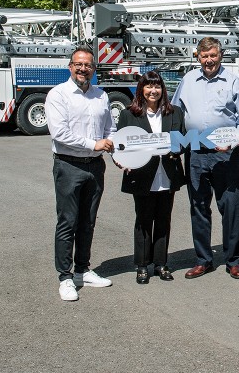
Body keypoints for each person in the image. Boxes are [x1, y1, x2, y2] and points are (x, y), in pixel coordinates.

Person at [171, 37, 239, 280]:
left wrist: (233, 141)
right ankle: (203, 260)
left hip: (225, 154)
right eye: (204, 56)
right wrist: (176, 144)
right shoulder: (187, 81)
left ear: (220, 56)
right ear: (198, 57)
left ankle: (233, 261)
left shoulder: (233, 81)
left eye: (213, 55)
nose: (209, 60)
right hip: (195, 153)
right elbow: (176, 113)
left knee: (231, 207)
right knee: (199, 207)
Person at [46, 46, 116, 302]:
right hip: (69, 165)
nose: (83, 69)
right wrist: (94, 144)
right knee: (68, 222)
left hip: (95, 167)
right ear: (70, 66)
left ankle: (83, 270)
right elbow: (59, 133)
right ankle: (65, 277)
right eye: (78, 64)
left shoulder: (101, 96)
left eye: (88, 65)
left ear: (94, 69)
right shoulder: (58, 94)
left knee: (88, 221)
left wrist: (115, 150)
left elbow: (110, 128)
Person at [113, 71, 187, 284]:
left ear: (163, 90)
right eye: (148, 86)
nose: (153, 91)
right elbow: (120, 145)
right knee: (144, 221)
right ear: (141, 90)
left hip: (167, 174)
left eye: (157, 86)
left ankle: (161, 264)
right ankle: (142, 265)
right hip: (142, 175)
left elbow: (182, 140)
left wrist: (175, 149)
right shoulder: (129, 114)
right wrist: (122, 161)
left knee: (163, 220)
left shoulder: (175, 112)